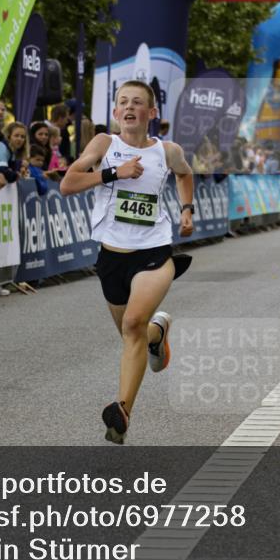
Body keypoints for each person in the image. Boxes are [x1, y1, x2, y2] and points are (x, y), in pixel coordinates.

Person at [60, 79, 195, 445]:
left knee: (133, 323)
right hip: (111, 257)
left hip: (154, 252)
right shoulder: (105, 144)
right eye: (123, 102)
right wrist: (112, 173)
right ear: (116, 112)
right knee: (131, 332)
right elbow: (68, 184)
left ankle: (122, 413)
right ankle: (159, 333)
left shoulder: (166, 151)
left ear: (152, 113)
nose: (130, 108)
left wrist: (186, 210)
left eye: (138, 102)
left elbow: (185, 173)